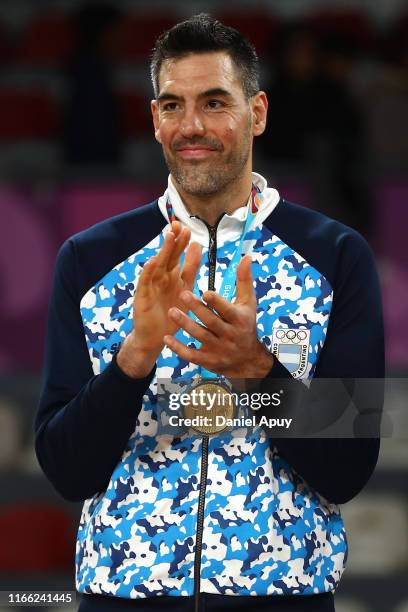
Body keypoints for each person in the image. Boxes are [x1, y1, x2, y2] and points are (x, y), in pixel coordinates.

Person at [35, 13, 384, 612]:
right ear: (153, 120)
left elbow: (348, 470)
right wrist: (133, 358)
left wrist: (256, 374)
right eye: (172, 106)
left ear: (259, 113)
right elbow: (67, 471)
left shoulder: (335, 256)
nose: (191, 126)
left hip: (282, 598)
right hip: (122, 598)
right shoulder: (89, 260)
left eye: (215, 102)